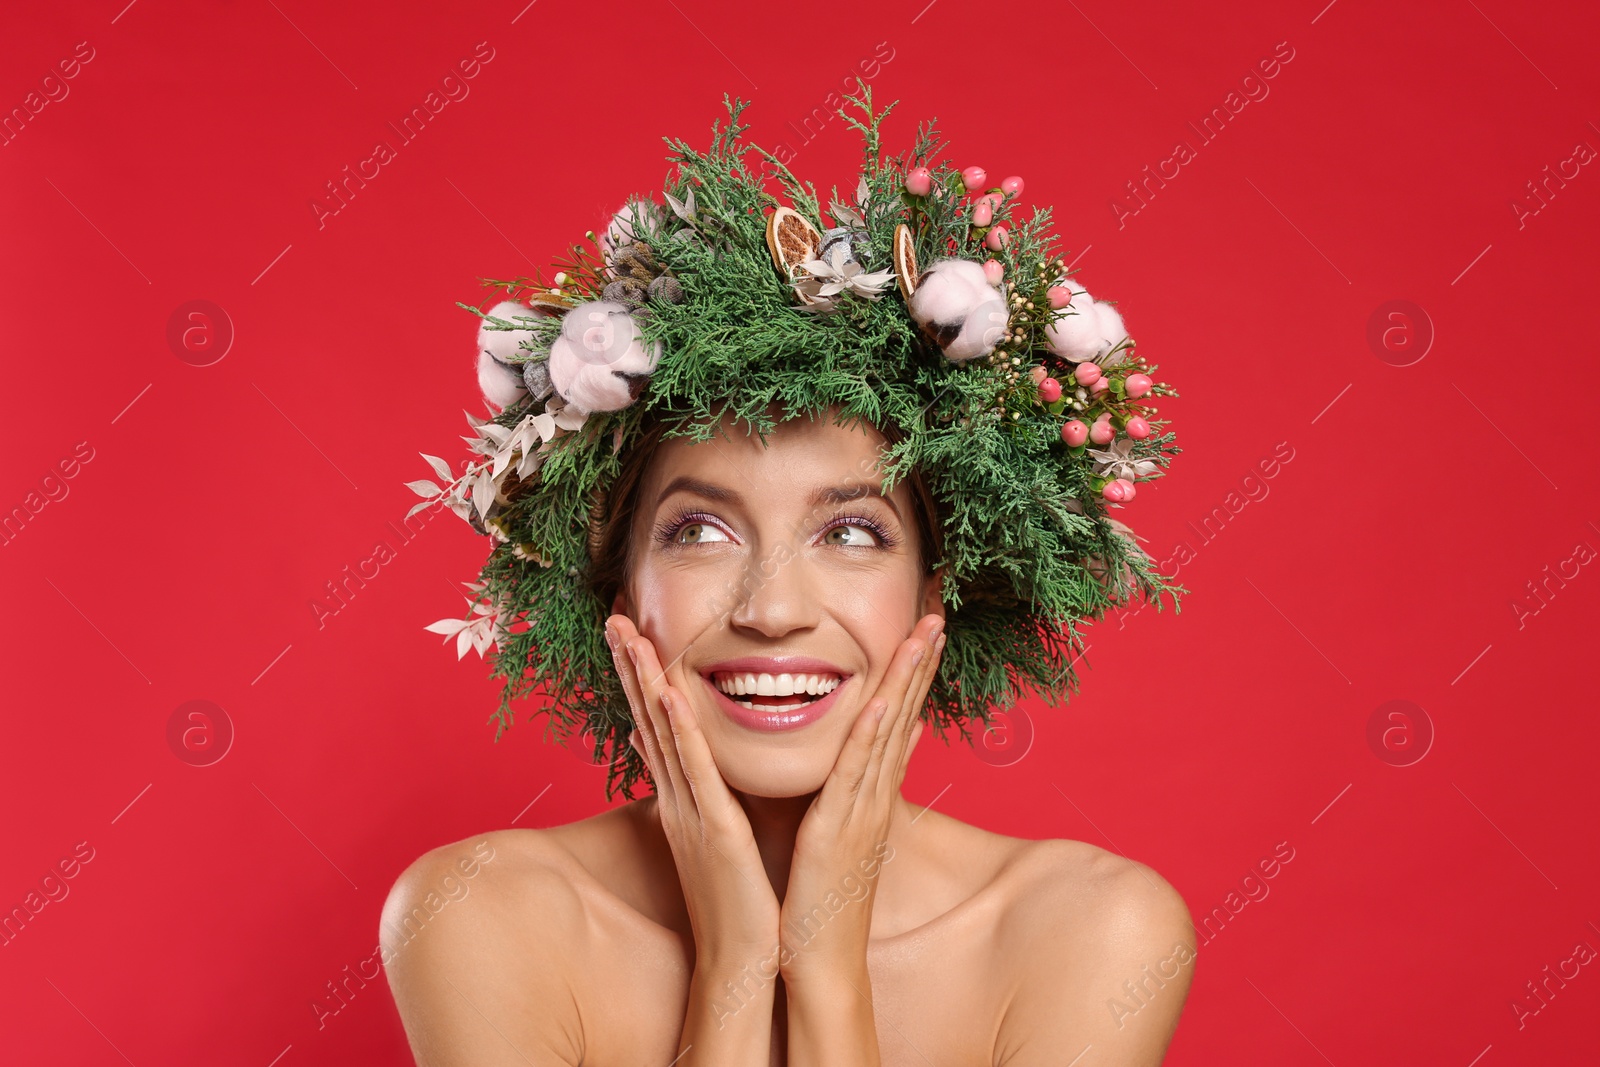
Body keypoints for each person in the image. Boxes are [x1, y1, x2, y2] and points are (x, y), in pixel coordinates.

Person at [383, 84, 1192, 1064]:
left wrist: (822, 966)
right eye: (697, 531)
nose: (770, 609)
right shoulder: (481, 916)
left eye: (851, 532)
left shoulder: (1090, 934)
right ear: (615, 584)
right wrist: (733, 970)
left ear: (937, 591)